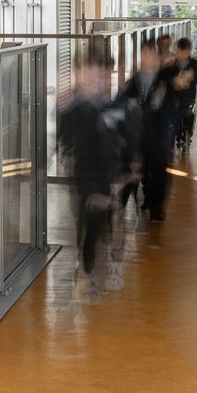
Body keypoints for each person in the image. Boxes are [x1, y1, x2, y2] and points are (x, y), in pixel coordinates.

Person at [59, 48, 129, 294]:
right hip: (81, 177)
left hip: (105, 177)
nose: (90, 78)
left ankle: (93, 263)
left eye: (96, 73)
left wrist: (118, 179)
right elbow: (64, 143)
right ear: (77, 73)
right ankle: (87, 264)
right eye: (84, 72)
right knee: (85, 223)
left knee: (99, 222)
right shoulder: (70, 111)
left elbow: (121, 144)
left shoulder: (111, 108)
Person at [118, 40, 177, 228]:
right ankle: (135, 201)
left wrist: (168, 141)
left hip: (158, 138)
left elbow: (169, 114)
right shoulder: (132, 83)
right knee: (134, 172)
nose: (145, 59)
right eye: (142, 55)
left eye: (149, 55)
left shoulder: (164, 83)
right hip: (135, 138)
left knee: (158, 175)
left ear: (157, 59)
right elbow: (120, 106)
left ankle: (155, 208)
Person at [169, 36, 197, 158]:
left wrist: (191, 79)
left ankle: (187, 136)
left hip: (188, 95)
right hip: (175, 96)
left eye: (185, 52)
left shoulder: (194, 64)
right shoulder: (172, 64)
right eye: (180, 52)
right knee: (176, 117)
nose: (183, 55)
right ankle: (179, 137)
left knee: (187, 115)